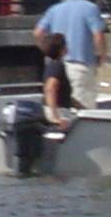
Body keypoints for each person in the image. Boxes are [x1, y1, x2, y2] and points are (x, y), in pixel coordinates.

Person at [34, 0, 106, 108]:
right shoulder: (90, 8)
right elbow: (98, 35)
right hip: (81, 64)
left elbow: (38, 33)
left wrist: (49, 52)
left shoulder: (54, 9)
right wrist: (101, 55)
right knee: (83, 107)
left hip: (56, 65)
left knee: (60, 104)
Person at [15, 34, 75, 176]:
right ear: (62, 49)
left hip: (55, 109)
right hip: (58, 112)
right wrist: (55, 117)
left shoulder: (51, 65)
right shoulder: (57, 66)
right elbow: (50, 88)